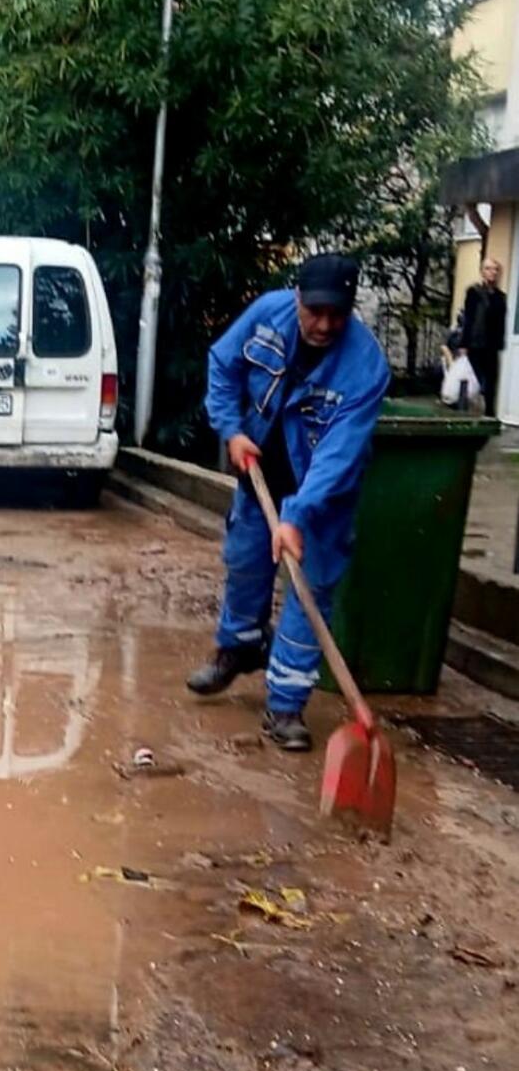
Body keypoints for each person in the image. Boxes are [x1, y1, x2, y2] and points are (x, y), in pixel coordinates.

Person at [187, 254, 389, 752]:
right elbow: (222, 364)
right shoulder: (267, 315)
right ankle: (240, 647)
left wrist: (298, 517)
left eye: (336, 315)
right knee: (245, 563)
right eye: (314, 311)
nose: (324, 325)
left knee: (309, 587)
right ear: (297, 298)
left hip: (322, 495)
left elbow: (340, 454)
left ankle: (285, 705)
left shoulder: (366, 368)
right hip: (261, 470)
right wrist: (231, 431)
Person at [460, 256, 506, 418]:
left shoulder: (500, 297)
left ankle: (489, 414)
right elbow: (469, 318)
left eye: (495, 269)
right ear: (482, 272)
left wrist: (500, 343)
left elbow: (501, 322)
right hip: (475, 343)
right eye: (488, 268)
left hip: (491, 345)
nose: (492, 272)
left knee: (491, 380)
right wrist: (464, 344)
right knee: (475, 379)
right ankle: (469, 411)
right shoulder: (474, 292)